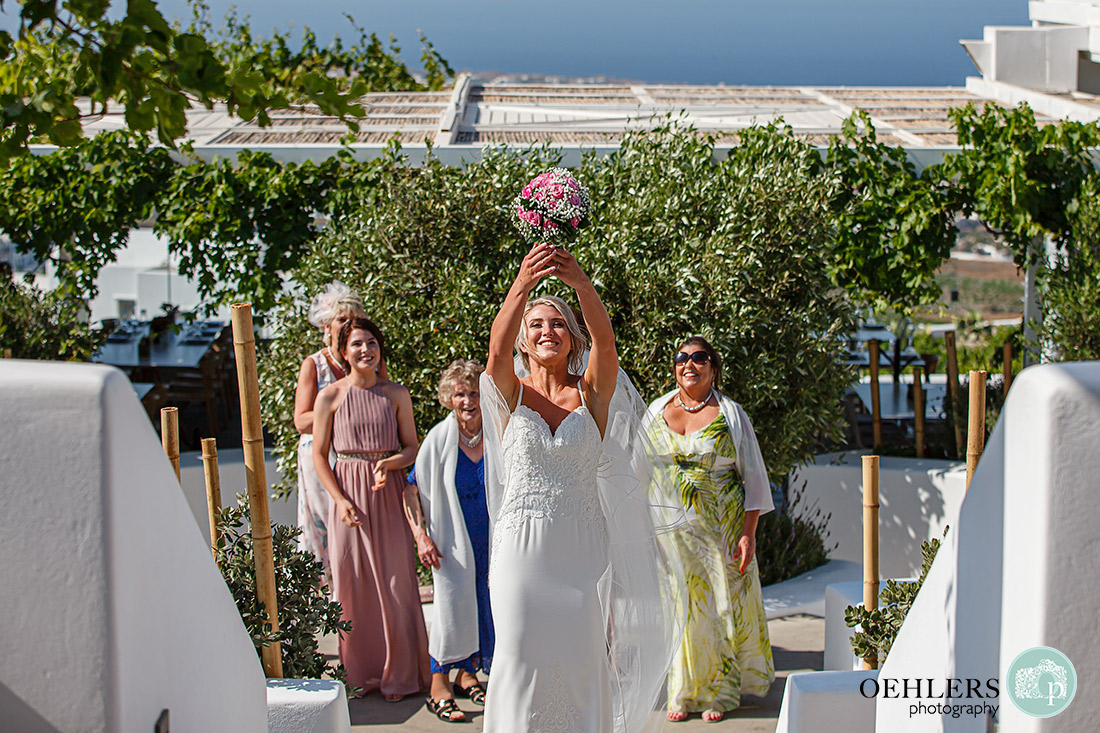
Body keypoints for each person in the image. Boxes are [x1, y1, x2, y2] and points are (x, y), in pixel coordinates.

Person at [480, 242, 681, 733]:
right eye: (537, 325)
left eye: (558, 325)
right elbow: (495, 349)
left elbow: (607, 346)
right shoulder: (509, 391)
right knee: (519, 651)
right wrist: (523, 282)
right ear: (525, 342)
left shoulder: (591, 393)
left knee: (583, 655)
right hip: (521, 549)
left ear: (572, 339)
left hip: (581, 547)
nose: (548, 331)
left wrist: (580, 283)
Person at [642, 335, 775, 723]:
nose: (689, 364)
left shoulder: (731, 414)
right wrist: (641, 529)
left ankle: (719, 691)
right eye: (681, 357)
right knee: (680, 608)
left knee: (718, 606)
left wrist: (748, 533)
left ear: (713, 369)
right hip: (670, 534)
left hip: (722, 529)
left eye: (699, 358)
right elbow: (636, 472)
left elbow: (754, 478)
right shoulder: (655, 411)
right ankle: (683, 692)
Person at [312, 316, 430, 699]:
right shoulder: (329, 396)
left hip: (387, 492)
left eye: (372, 343)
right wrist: (340, 500)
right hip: (348, 497)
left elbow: (412, 448)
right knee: (353, 585)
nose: (366, 350)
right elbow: (318, 456)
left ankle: (401, 675)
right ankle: (360, 676)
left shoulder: (396, 393)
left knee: (397, 583)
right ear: (343, 352)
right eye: (358, 344)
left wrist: (390, 464)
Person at [409, 359, 495, 723]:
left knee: (488, 609)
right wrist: (421, 537)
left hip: (494, 541)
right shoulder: (438, 439)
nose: (467, 400)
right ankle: (438, 686)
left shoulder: (497, 434)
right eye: (460, 393)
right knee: (450, 612)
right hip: (451, 546)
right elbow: (410, 489)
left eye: (474, 392)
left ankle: (468, 675)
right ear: (449, 397)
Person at [292, 281, 378, 579]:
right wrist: (339, 413)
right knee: (329, 524)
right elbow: (301, 420)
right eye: (342, 320)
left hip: (362, 454)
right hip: (323, 455)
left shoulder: (369, 361)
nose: (347, 326)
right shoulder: (314, 365)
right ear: (327, 326)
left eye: (353, 320)